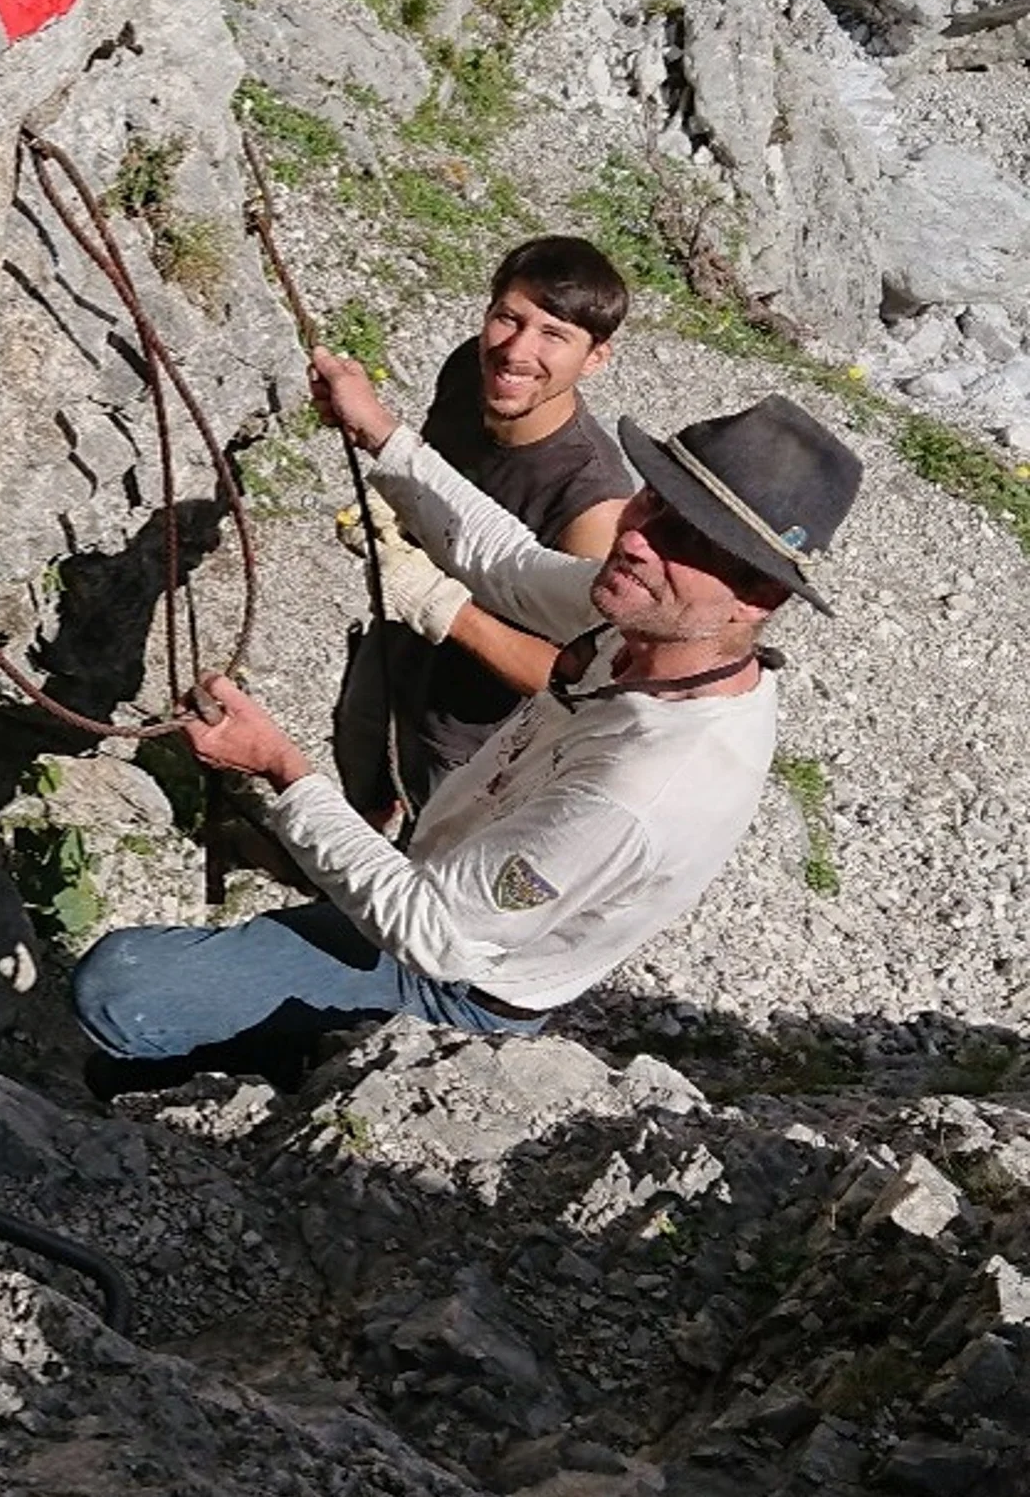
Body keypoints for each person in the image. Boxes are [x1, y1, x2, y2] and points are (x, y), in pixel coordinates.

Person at [75, 348, 862, 1087]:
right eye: (655, 501)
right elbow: (513, 566)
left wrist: (280, 765)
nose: (638, 541)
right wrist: (382, 436)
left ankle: (281, 1063)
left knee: (121, 989)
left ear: (759, 597)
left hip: (458, 978)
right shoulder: (653, 625)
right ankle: (251, 1044)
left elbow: (434, 932)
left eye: (688, 539)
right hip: (450, 886)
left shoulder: (645, 788)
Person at [334, 235, 633, 830]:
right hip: (398, 647)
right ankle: (341, 859)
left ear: (595, 357)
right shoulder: (470, 371)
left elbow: (572, 678)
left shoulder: (593, 505)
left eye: (555, 335)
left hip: (473, 730)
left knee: (432, 854)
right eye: (508, 319)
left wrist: (442, 607)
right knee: (360, 758)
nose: (517, 352)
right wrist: (398, 510)